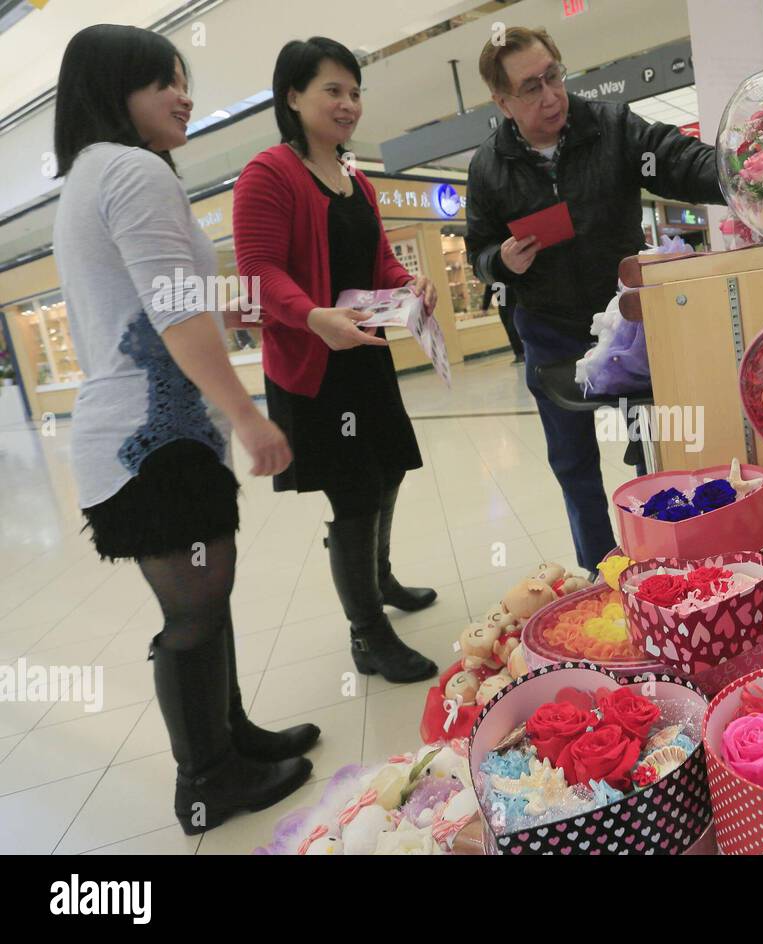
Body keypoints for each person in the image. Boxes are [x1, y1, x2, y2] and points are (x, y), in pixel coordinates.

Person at [52, 24, 315, 835]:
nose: (184, 95)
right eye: (162, 81)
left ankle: (232, 737)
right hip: (154, 439)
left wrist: (223, 307)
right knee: (194, 614)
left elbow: (160, 303)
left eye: (183, 77)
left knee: (208, 599)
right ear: (110, 90)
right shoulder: (130, 171)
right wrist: (246, 414)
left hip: (142, 437)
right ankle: (206, 782)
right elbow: (170, 314)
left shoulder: (95, 176)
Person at [467, 27, 723, 576]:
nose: (550, 95)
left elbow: (677, 158)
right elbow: (478, 248)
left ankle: (670, 561)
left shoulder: (610, 127)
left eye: (553, 76)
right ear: (502, 101)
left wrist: (739, 174)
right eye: (530, 88)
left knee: (657, 446)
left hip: (627, 322)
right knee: (574, 463)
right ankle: (602, 570)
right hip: (549, 330)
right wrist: (500, 262)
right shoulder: (488, 167)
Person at [234, 37, 440, 684]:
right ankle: (367, 634)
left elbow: (375, 260)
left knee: (390, 471)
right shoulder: (269, 173)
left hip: (365, 357)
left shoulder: (354, 176)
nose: (348, 103)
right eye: (333, 90)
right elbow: (258, 271)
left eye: (354, 92)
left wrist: (408, 285)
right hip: (315, 365)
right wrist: (314, 317)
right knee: (354, 496)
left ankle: (379, 580)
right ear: (292, 96)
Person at [480, 281, 524, 363]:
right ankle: (518, 353)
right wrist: (484, 308)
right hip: (503, 305)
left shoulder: (508, 272)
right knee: (509, 330)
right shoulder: (493, 276)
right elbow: (488, 290)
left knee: (512, 329)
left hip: (514, 303)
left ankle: (522, 353)